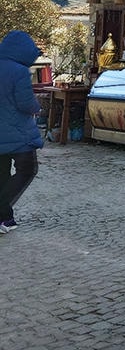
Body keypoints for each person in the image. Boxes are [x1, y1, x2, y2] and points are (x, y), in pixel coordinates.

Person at [0, 30, 44, 234]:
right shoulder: (19, 71)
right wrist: (38, 108)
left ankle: (6, 219)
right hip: (18, 133)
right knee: (27, 170)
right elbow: (25, 103)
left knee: (1, 175)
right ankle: (2, 210)